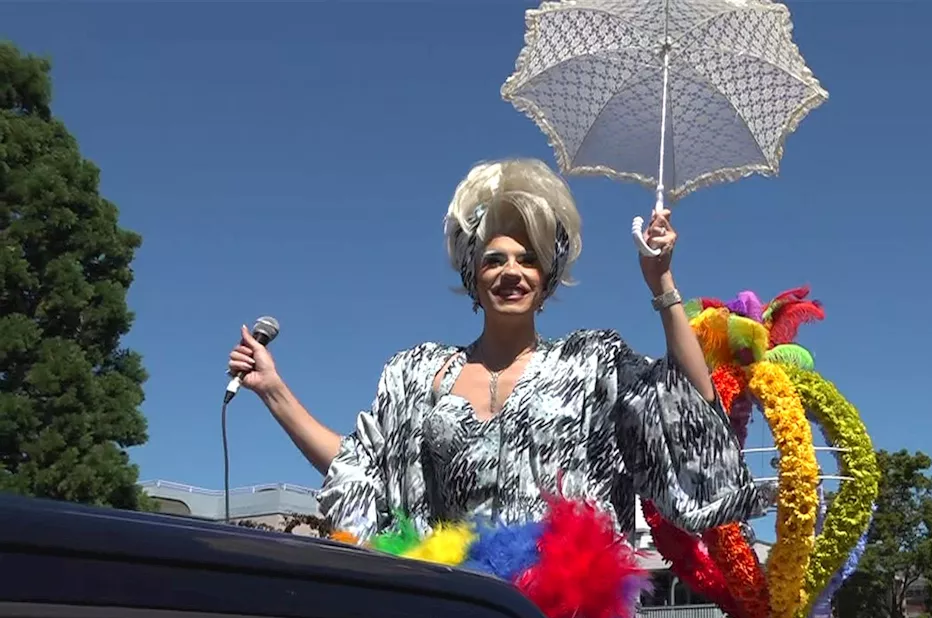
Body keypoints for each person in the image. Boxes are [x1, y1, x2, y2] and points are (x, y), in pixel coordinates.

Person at [227, 158, 767, 541]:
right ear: (471, 275)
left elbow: (697, 424)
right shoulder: (418, 375)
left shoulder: (592, 364)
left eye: (528, 259)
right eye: (494, 259)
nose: (512, 271)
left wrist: (662, 282)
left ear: (547, 278)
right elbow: (360, 470)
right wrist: (274, 392)